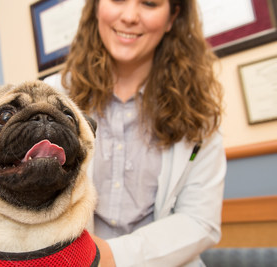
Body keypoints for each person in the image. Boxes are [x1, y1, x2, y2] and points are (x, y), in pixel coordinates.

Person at [44, 0, 226, 266]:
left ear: (172, 17)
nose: (129, 16)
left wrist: (112, 256)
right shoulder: (53, 97)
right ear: (95, 6)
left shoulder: (200, 111)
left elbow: (201, 221)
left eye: (149, 3)